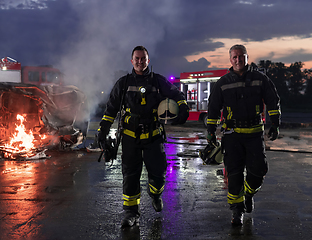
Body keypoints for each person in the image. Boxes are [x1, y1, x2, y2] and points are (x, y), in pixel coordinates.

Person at [97, 46, 189, 228]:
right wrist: (102, 130)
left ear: (148, 60)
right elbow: (111, 110)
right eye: (137, 59)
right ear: (132, 61)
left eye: (143, 59)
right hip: (131, 139)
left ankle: (155, 194)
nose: (140, 62)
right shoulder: (123, 84)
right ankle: (131, 213)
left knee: (159, 175)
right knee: (130, 176)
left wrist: (183, 107)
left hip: (154, 137)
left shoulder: (158, 81)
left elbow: (177, 95)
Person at [206, 44, 281, 226]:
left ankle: (248, 194)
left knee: (259, 171)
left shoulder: (260, 79)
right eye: (234, 57)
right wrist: (210, 132)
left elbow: (273, 100)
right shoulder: (223, 83)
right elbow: (213, 107)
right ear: (230, 59)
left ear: (247, 57)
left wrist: (275, 123)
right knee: (234, 175)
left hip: (254, 135)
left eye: (241, 56)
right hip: (232, 136)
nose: (238, 60)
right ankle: (237, 211)